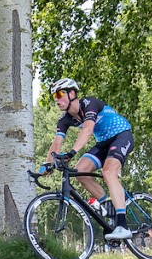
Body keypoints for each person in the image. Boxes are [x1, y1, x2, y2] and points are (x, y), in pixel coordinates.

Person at [39, 78, 134, 240]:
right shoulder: (64, 120)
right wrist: (47, 165)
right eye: (54, 96)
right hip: (103, 143)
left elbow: (88, 129)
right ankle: (107, 205)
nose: (57, 99)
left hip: (121, 136)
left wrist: (72, 152)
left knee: (109, 172)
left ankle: (122, 225)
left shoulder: (90, 103)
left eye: (60, 94)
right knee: (80, 172)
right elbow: (56, 143)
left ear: (72, 93)